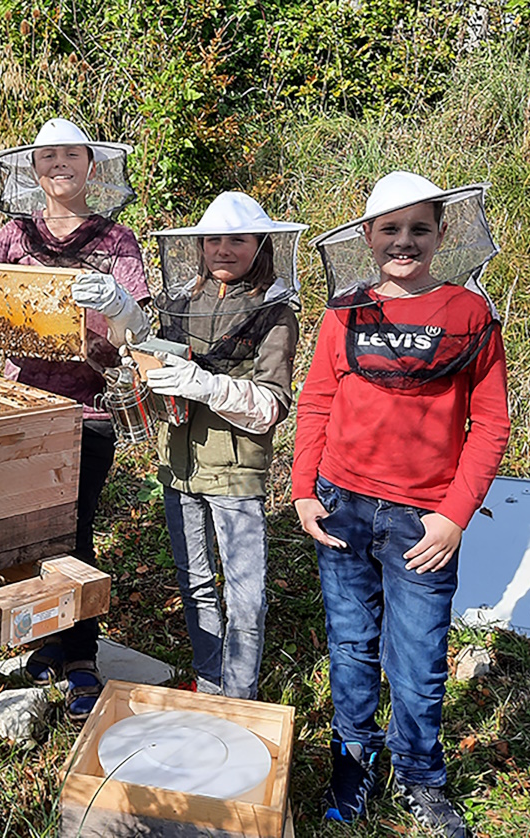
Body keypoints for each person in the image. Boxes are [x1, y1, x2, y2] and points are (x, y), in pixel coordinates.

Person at [291, 171, 510, 838]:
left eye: (419, 228)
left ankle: (420, 775)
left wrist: (452, 515)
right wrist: (302, 489)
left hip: (422, 520)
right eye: (390, 229)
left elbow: (490, 422)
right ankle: (352, 765)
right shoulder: (345, 310)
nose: (404, 241)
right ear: (366, 237)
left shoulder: (468, 314)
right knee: (352, 647)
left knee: (415, 659)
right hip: (342, 506)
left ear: (442, 234)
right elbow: (318, 401)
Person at [0, 118, 151, 721]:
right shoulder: (14, 235)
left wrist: (119, 306)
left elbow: (140, 331)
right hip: (20, 408)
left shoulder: (117, 242)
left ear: (92, 166)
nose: (60, 165)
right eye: (49, 157)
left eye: (72, 154)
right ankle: (46, 637)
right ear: (35, 170)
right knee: (26, 530)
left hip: (88, 411)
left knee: (74, 533)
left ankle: (81, 657)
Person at [143, 192, 305, 699]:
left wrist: (208, 387)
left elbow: (272, 403)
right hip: (179, 466)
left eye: (237, 239)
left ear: (261, 244)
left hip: (235, 470)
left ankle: (240, 698)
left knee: (245, 596)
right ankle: (210, 682)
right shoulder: (184, 301)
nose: (223, 249)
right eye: (213, 239)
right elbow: (146, 356)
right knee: (193, 584)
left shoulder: (274, 314)